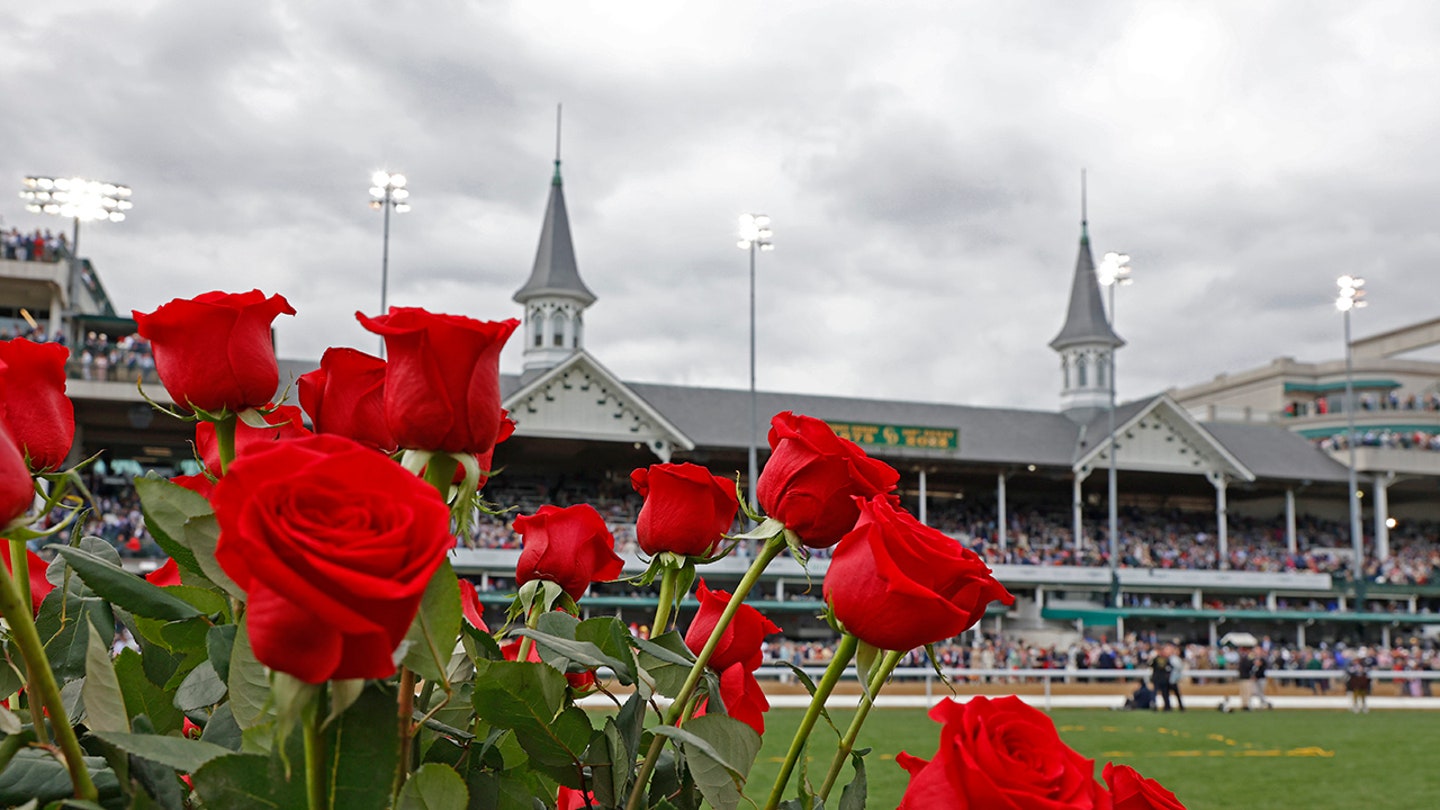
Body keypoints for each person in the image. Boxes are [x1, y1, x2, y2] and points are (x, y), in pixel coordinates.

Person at [1150, 647, 1176, 711]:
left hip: (1157, 679)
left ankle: (1155, 706)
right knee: (1165, 694)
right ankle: (1167, 707)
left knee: (1155, 693)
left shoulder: (1156, 659)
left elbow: (1151, 666)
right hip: (1163, 679)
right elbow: (1171, 668)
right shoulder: (1166, 659)